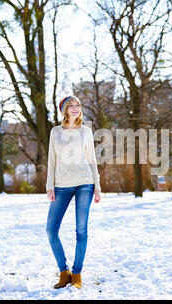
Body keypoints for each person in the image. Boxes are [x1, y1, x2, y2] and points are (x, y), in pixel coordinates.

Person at [46, 95, 101, 289]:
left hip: (85, 183)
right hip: (61, 185)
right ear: (65, 110)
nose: (76, 109)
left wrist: (97, 187)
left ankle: (77, 274)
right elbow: (52, 160)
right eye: (72, 106)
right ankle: (64, 272)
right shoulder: (55, 132)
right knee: (51, 230)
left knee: (81, 230)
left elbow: (92, 160)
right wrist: (50, 186)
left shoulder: (86, 131)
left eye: (78, 105)